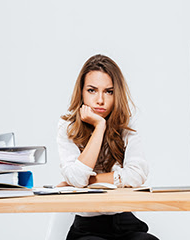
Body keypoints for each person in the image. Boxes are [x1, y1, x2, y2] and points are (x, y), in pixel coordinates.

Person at [57, 54, 159, 240]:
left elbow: (137, 173)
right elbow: (77, 178)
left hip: (125, 222)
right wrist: (99, 127)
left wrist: (89, 181)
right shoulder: (68, 127)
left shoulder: (126, 125)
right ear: (81, 92)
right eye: (92, 90)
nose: (100, 100)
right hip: (87, 227)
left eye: (109, 91)